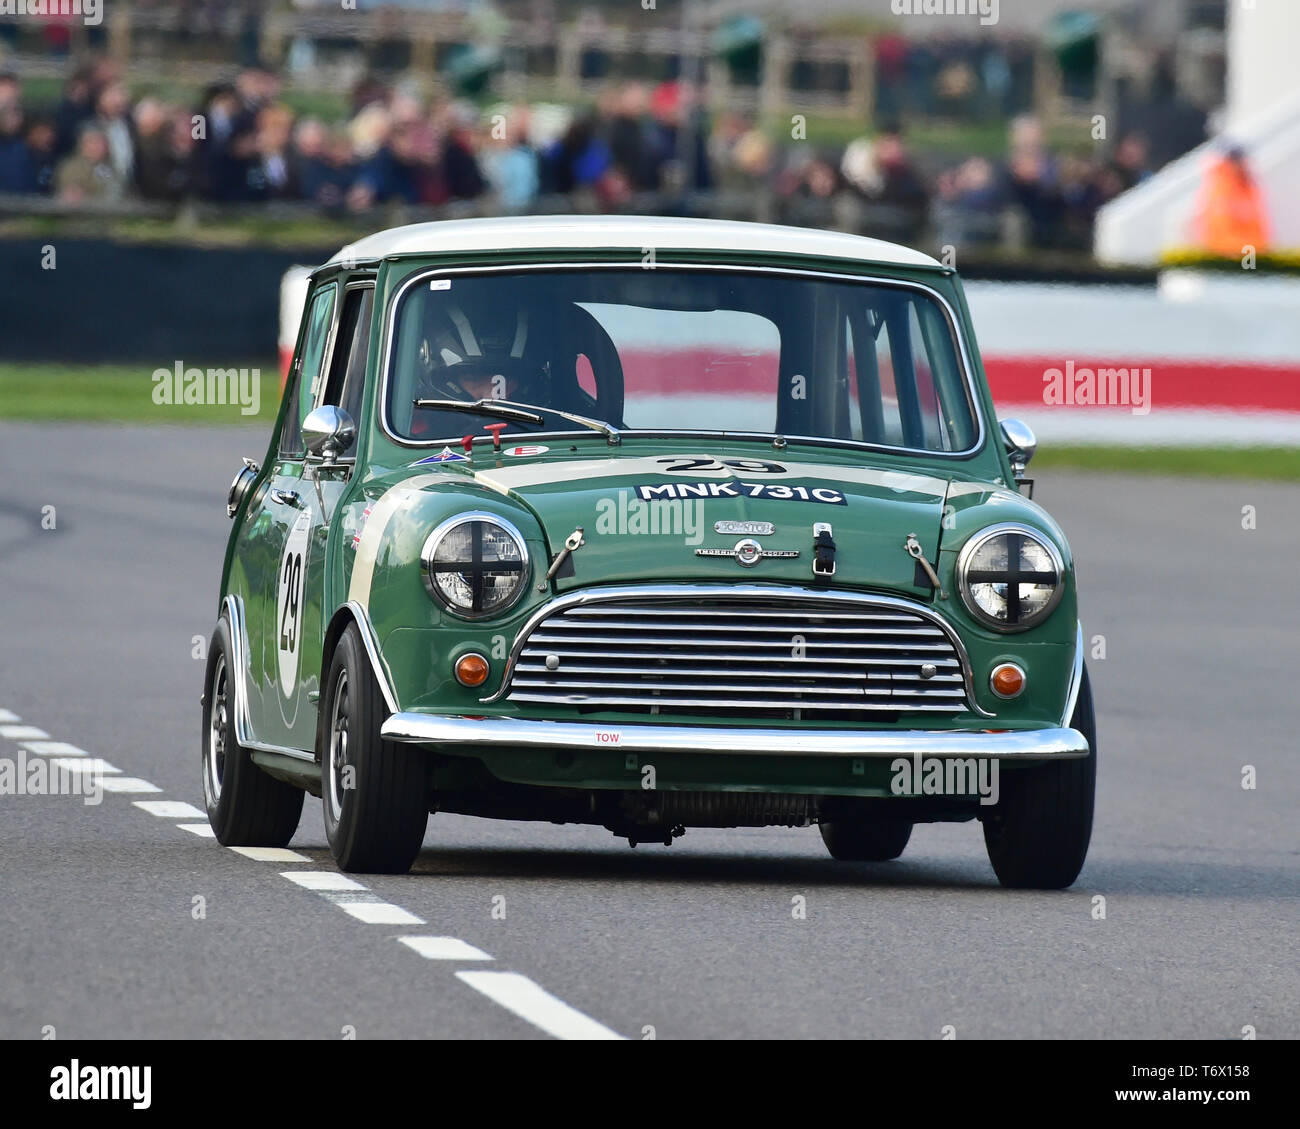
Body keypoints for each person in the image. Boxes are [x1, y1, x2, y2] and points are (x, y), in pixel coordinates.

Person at [1192, 142, 1271, 257]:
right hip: (1232, 257)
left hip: (1249, 255)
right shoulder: (1220, 189)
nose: (1243, 163)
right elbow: (1221, 229)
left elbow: (1259, 224)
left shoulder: (1246, 186)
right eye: (1238, 160)